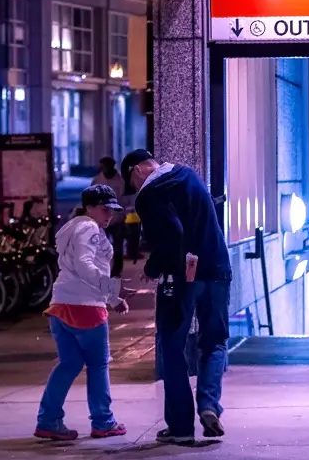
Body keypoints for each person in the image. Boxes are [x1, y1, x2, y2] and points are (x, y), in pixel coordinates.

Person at [120, 149, 231, 445]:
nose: (135, 191)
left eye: (132, 183)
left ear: (137, 170)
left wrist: (152, 266)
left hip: (180, 277)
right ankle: (209, 404)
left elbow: (173, 234)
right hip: (217, 269)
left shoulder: (149, 194)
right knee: (215, 341)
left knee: (172, 347)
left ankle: (181, 427)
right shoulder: (191, 176)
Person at [35, 184, 129, 441]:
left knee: (69, 364)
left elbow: (76, 265)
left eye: (112, 209)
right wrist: (112, 294)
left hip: (60, 306)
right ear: (89, 208)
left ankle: (48, 420)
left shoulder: (72, 228)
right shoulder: (89, 227)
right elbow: (85, 264)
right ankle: (103, 421)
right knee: (98, 365)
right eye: (104, 208)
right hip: (86, 309)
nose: (109, 214)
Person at [92, 157, 127, 277]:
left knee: (118, 247)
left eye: (108, 166)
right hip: (101, 220)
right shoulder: (97, 181)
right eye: (104, 166)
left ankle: (116, 272)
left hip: (117, 219)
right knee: (101, 248)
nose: (106, 169)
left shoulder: (121, 181)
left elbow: (126, 200)